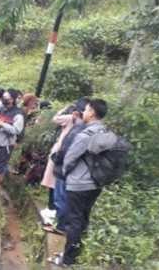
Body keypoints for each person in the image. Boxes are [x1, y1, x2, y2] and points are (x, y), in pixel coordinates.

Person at [49, 99, 109, 267]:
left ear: (91, 112)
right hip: (95, 184)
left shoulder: (86, 134)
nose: (84, 112)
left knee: (74, 220)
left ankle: (67, 259)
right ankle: (75, 253)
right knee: (83, 219)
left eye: (87, 109)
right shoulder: (105, 132)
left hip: (79, 184)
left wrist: (67, 175)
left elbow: (69, 158)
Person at [40, 99, 88, 229]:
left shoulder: (71, 118)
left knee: (55, 186)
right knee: (56, 186)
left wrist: (65, 107)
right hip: (65, 158)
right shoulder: (84, 124)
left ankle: (54, 216)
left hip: (60, 155)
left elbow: (55, 118)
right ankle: (54, 214)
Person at [0, 90, 24, 193]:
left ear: (12, 100)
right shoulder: (1, 109)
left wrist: (2, 125)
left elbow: (17, 130)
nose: (4, 99)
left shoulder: (18, 114)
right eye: (4, 97)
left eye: (7, 97)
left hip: (6, 144)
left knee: (0, 166)